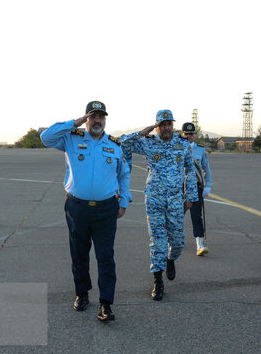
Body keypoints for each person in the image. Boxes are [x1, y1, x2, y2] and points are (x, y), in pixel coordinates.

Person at [40, 101, 130, 322]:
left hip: (106, 209)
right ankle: (82, 294)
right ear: (86, 119)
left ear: (105, 120)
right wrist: (74, 122)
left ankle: (106, 303)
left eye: (101, 116)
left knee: (106, 257)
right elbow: (46, 138)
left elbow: (124, 174)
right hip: (77, 208)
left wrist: (124, 201)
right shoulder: (71, 138)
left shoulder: (114, 145)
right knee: (79, 255)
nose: (97, 120)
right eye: (93, 116)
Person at [121, 110, 198, 301]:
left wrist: (191, 197)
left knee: (178, 241)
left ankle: (171, 259)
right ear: (157, 126)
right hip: (154, 199)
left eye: (169, 124)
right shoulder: (148, 142)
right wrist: (142, 132)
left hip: (175, 199)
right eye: (162, 124)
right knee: (158, 240)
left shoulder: (182, 144)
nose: (166, 128)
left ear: (173, 125)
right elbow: (123, 143)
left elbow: (190, 169)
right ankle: (158, 280)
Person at [181, 122, 212, 256]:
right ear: (182, 134)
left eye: (191, 133)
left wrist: (208, 185)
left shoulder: (200, 150)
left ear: (195, 134)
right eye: (186, 134)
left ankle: (199, 244)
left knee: (196, 216)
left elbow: (207, 169)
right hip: (179, 187)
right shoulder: (176, 148)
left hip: (195, 187)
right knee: (176, 216)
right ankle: (174, 241)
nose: (189, 136)